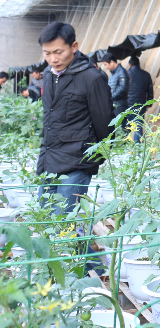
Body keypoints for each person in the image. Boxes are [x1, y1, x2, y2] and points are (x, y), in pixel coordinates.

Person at [36, 22, 113, 212]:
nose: (53, 59)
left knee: (66, 221)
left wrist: (93, 158)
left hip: (77, 161)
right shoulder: (48, 74)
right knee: (45, 217)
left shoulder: (91, 78)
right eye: (47, 53)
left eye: (58, 52)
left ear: (74, 47)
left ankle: (78, 243)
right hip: (50, 158)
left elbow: (105, 123)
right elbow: (49, 117)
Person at [126, 56, 153, 142]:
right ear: (139, 64)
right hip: (140, 105)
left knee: (127, 126)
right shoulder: (146, 75)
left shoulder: (126, 74)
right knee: (138, 126)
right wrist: (149, 103)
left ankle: (126, 148)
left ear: (129, 65)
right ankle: (138, 149)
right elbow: (150, 91)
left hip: (128, 104)